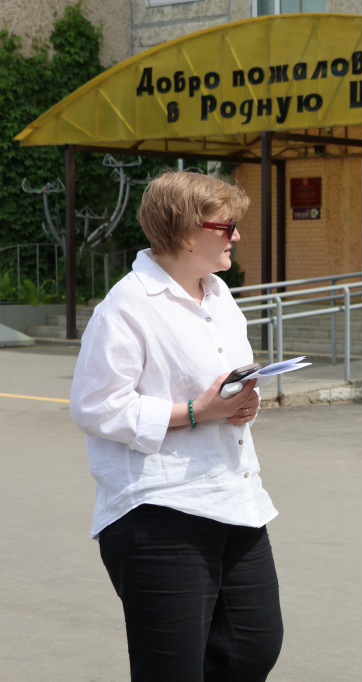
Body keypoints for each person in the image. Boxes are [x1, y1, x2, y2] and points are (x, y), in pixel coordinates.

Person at [69, 170, 283, 682]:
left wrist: (242, 403)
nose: (236, 235)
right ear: (187, 232)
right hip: (159, 510)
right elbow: (94, 407)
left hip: (235, 497)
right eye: (226, 226)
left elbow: (221, 382)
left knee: (254, 647)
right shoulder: (126, 306)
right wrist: (193, 412)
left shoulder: (220, 296)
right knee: (172, 668)